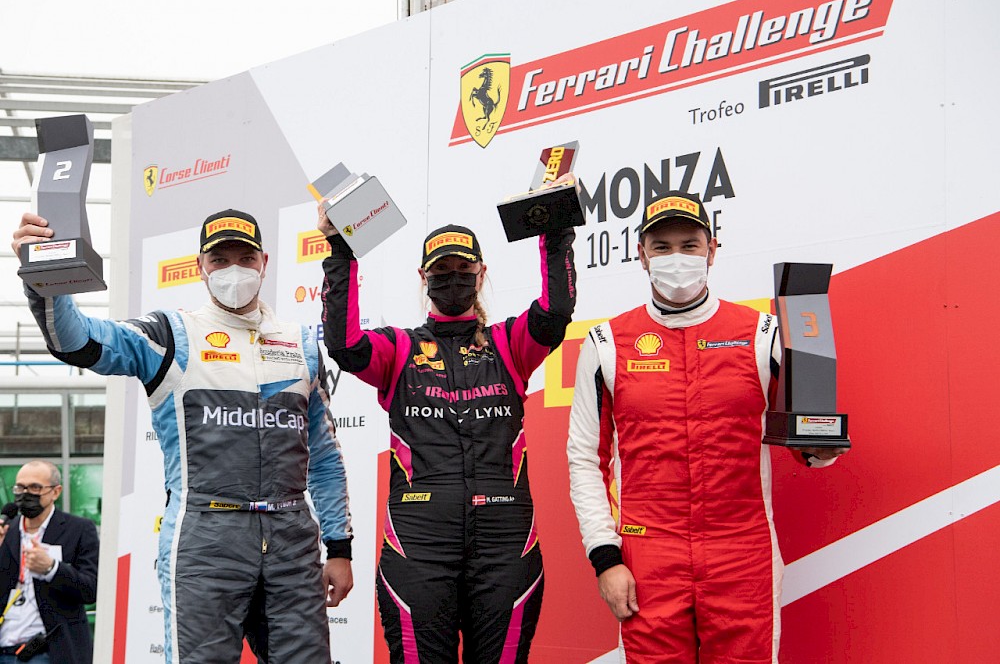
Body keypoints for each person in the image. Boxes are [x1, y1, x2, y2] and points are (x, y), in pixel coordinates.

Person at [12, 209, 353, 663]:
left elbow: (324, 458)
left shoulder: (302, 342)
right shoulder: (170, 335)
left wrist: (339, 547)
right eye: (219, 259)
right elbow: (77, 341)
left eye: (245, 258)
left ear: (264, 262)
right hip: (205, 542)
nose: (233, 269)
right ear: (200, 267)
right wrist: (45, 273)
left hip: (292, 544)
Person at [566, 192, 847, 663]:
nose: (676, 257)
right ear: (641, 255)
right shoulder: (606, 342)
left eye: (689, 245)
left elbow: (805, 440)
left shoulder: (764, 334)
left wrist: (821, 448)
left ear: (711, 250)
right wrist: (605, 558)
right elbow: (584, 459)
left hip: (743, 550)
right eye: (662, 247)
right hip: (648, 553)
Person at [318, 195, 577, 662]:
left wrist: (554, 228)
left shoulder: (508, 344)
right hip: (418, 544)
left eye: (463, 269)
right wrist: (341, 250)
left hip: (506, 544)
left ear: (481, 273)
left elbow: (555, 313)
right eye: (441, 270)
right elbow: (345, 344)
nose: (452, 278)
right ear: (424, 277)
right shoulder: (399, 349)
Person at [0, 460, 99, 664]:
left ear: (55, 492)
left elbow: (91, 589)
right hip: (5, 648)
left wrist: (51, 568)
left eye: (35, 487)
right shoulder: (7, 530)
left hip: (50, 651)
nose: (25, 494)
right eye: (20, 487)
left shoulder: (79, 529)